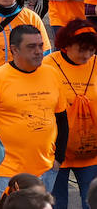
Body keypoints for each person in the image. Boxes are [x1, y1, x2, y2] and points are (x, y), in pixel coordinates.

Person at [0, 23, 72, 193]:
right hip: (9, 173)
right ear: (14, 49)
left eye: (41, 45)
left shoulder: (52, 74)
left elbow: (62, 120)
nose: (39, 51)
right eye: (31, 46)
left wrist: (59, 159)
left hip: (47, 168)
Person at [42, 19, 97, 208]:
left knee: (91, 202)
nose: (88, 55)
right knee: (56, 204)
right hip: (56, 152)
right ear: (66, 45)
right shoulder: (49, 65)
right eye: (82, 49)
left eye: (92, 49)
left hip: (90, 152)